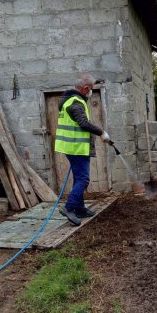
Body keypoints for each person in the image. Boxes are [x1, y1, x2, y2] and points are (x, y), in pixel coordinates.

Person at [54, 74, 111, 226]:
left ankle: (79, 208)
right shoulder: (76, 103)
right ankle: (69, 207)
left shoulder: (72, 100)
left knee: (79, 178)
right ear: (86, 88)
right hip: (76, 147)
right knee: (83, 179)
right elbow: (84, 123)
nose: (91, 91)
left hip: (72, 146)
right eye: (91, 89)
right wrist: (102, 133)